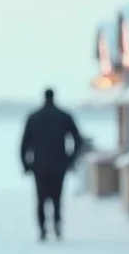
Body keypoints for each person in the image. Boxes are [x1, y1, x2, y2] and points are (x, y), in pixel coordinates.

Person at [20, 87, 84, 241]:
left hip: (39, 166)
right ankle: (57, 225)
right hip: (59, 165)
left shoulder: (34, 117)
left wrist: (26, 164)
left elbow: (24, 144)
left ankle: (42, 229)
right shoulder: (63, 116)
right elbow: (78, 139)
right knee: (57, 198)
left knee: (40, 199)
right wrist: (70, 159)